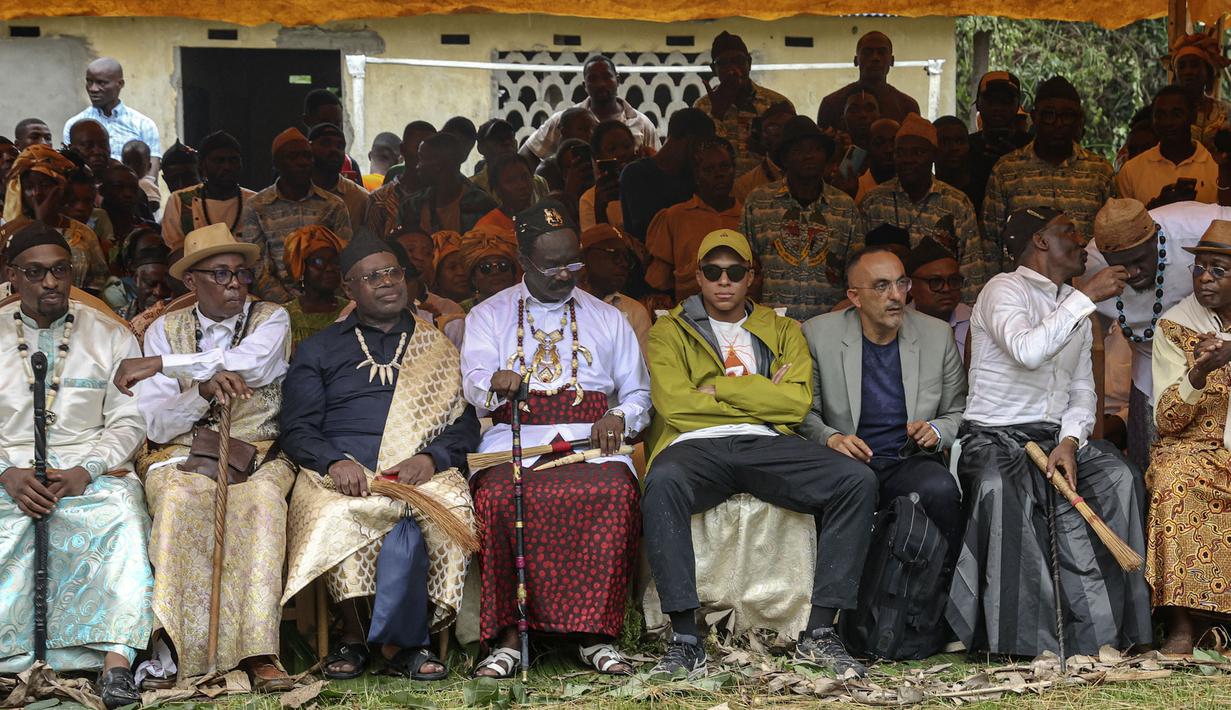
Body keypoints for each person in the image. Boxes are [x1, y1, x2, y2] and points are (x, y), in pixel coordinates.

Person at [642, 229, 876, 678]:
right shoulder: (668, 328)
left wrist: (720, 388)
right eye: (713, 271)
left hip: (768, 442)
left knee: (856, 480)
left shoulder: (783, 328)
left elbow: (794, 403)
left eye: (735, 271)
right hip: (696, 444)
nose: (723, 281)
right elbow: (675, 403)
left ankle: (821, 633)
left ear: (752, 277)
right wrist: (763, 389)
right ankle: (685, 637)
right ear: (698, 276)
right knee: (664, 481)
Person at [948, 206, 1152, 657]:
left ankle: (1107, 636)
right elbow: (1028, 351)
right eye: (1069, 231)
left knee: (1120, 476)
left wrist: (1070, 441)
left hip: (1054, 438)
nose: (1082, 242)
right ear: (1040, 241)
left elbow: (1082, 389)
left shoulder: (1071, 303)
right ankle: (1021, 645)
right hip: (994, 436)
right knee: (1003, 487)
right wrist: (1085, 297)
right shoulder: (1003, 289)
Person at [280, 232, 479, 681]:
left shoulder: (439, 346)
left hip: (421, 468)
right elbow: (297, 428)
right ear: (349, 288)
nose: (387, 282)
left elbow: (465, 423)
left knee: (452, 510)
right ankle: (354, 637)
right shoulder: (320, 348)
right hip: (343, 469)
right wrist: (333, 462)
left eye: (393, 272)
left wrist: (431, 458)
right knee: (338, 513)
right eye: (372, 276)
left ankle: (413, 642)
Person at [462, 200, 649, 678]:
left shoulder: (607, 317)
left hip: (591, 440)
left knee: (614, 493)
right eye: (552, 266)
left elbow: (637, 390)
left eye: (574, 264)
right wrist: (494, 381)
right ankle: (507, 636)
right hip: (516, 435)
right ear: (524, 262)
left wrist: (619, 416)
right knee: (500, 496)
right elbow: (474, 379)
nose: (566, 275)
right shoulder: (489, 314)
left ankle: (594, 635)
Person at [110, 222, 293, 690]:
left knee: (260, 506)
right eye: (220, 274)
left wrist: (166, 367)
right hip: (183, 450)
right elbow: (157, 422)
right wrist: (202, 392)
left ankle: (258, 652)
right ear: (190, 282)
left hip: (258, 451)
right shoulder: (165, 330)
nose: (235, 284)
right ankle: (175, 650)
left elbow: (251, 361)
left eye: (240, 274)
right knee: (178, 502)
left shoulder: (272, 318)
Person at [0, 222, 152, 708]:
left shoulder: (109, 335)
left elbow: (129, 421)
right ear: (13, 277)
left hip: (89, 469)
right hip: (8, 467)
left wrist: (87, 469)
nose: (50, 282)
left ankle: (114, 663)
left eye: (59, 271)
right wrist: (7, 473)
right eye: (36, 272)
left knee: (121, 515)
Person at [800, 247, 966, 557]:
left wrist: (937, 430)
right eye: (881, 286)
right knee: (851, 489)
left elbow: (959, 409)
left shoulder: (936, 335)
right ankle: (839, 601)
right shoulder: (818, 334)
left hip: (909, 459)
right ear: (854, 297)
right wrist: (831, 438)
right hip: (847, 462)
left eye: (901, 284)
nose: (896, 295)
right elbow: (804, 413)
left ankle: (943, 591)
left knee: (941, 489)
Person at [1147, 219, 1231, 655]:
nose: (1203, 278)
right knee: (1171, 476)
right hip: (1193, 446)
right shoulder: (1175, 326)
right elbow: (1167, 420)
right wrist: (1199, 371)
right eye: (1199, 268)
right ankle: (1181, 626)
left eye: (1218, 270)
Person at [1083, 198, 1213, 473]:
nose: (1133, 272)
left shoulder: (1192, 225)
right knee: (1152, 469)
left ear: (1155, 235)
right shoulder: (1089, 265)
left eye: (1140, 259)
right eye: (1121, 266)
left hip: (1215, 362)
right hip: (1150, 374)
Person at [982, 77, 1115, 273]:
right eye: (1049, 115)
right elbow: (990, 241)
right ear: (1034, 117)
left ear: (1079, 119)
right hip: (1024, 291)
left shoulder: (1099, 172)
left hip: (1087, 288)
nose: (1058, 123)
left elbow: (1112, 237)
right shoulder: (1007, 170)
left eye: (1067, 115)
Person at [742, 116, 863, 319]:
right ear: (785, 158)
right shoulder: (758, 202)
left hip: (830, 325)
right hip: (772, 323)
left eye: (815, 149)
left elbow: (857, 272)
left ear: (825, 156)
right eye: (798, 150)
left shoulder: (844, 206)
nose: (808, 156)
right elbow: (746, 265)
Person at [857, 114, 987, 301]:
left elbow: (972, 270)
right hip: (885, 308)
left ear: (933, 155)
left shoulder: (956, 203)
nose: (908, 159)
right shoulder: (873, 202)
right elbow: (859, 265)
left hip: (942, 312)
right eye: (901, 152)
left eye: (918, 152)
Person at [240, 128, 352, 303]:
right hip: (276, 308)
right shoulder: (257, 206)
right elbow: (258, 268)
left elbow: (344, 262)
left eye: (307, 156)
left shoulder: (333, 205)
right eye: (293, 157)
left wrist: (329, 306)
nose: (303, 162)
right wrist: (291, 308)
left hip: (328, 303)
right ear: (276, 163)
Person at [1, 145, 110, 294]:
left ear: (60, 187)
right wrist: (40, 222)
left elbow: (97, 283)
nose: (37, 193)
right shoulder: (10, 231)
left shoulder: (82, 233)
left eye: (45, 185)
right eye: (29, 187)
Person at [647, 137, 742, 303]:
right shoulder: (675, 217)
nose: (718, 175)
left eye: (724, 167)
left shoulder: (747, 216)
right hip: (690, 316)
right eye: (709, 169)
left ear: (734, 171)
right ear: (697, 175)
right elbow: (659, 281)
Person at [521, 55, 659, 168]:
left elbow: (657, 164)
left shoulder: (642, 123)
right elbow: (528, 153)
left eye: (606, 77)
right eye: (593, 79)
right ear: (584, 86)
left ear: (617, 80)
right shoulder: (564, 120)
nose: (601, 84)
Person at [693, 31, 790, 174]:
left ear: (749, 63)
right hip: (721, 193)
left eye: (738, 61)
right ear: (714, 70)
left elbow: (791, 155)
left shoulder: (777, 104)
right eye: (723, 63)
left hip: (767, 193)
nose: (732, 70)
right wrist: (716, 114)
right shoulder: (702, 108)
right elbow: (697, 157)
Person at [621, 109, 716, 241]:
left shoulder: (691, 176)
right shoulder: (637, 174)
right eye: (702, 145)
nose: (702, 154)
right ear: (691, 140)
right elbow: (649, 230)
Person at [1117, 87, 1218, 207]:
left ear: (1193, 116)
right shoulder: (1131, 171)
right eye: (1160, 115)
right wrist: (1157, 206)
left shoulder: (1216, 167)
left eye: (1176, 114)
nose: (1168, 122)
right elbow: (1124, 223)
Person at [64, 57, 161, 177]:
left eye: (101, 83)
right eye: (89, 81)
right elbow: (71, 168)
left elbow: (151, 174)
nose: (93, 89)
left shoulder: (144, 125)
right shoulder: (74, 125)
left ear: (120, 84)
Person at [162, 131, 254, 251]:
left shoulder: (255, 202)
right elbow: (174, 250)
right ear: (202, 166)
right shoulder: (179, 200)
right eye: (219, 161)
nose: (227, 167)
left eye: (233, 160)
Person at [816, 32, 920, 129]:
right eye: (867, 52)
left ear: (892, 61)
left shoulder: (907, 107)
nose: (875, 58)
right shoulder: (831, 104)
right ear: (856, 60)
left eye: (881, 52)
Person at [399, 132, 496, 236]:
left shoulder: (482, 206)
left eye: (422, 159)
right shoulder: (412, 206)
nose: (417, 166)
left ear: (438, 165)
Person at [580, 224, 651, 355]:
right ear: (585, 257)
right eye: (615, 254)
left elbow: (644, 373)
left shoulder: (635, 312)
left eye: (627, 258)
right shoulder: (561, 306)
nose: (623, 263)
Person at [967, 71, 1031, 212]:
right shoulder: (965, 147)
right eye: (991, 100)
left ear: (1017, 105)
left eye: (1006, 101)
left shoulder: (1033, 148)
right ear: (978, 103)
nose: (998, 108)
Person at [364, 120, 435, 238]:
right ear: (402, 149)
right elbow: (372, 248)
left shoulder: (443, 196)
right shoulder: (380, 200)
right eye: (418, 148)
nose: (424, 155)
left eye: (431, 150)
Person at [904, 237, 972, 362]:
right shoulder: (898, 325)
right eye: (935, 282)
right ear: (911, 286)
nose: (946, 289)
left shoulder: (974, 320)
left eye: (954, 280)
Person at [282, 225, 347, 346]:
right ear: (301, 268)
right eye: (319, 262)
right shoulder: (284, 316)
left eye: (335, 262)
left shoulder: (352, 311)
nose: (330, 269)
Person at [1169, 30, 1231, 154]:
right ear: (1175, 75)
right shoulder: (1163, 112)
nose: (1188, 71)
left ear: (1208, 72)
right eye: (1181, 66)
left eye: (1194, 65)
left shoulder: (1225, 112)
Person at [471, 119, 550, 201]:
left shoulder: (539, 183)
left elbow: (548, 212)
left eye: (509, 137)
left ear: (516, 143)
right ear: (481, 148)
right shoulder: (472, 187)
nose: (506, 143)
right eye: (498, 139)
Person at [579, 121, 637, 232]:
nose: (621, 153)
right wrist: (600, 208)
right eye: (611, 149)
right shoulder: (589, 199)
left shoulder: (647, 184)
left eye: (626, 146)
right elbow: (595, 244)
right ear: (598, 157)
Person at [310, 122, 369, 230]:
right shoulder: (296, 193)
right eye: (326, 143)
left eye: (340, 146)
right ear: (310, 148)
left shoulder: (361, 199)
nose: (334, 150)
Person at [733, 101, 795, 203]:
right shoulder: (745, 187)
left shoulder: (815, 176)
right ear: (761, 137)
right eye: (773, 128)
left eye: (789, 128)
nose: (782, 134)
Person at [301, 89, 361, 183]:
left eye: (337, 124)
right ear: (307, 121)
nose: (331, 129)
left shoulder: (349, 164)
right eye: (325, 122)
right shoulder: (292, 163)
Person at [536, 108, 599, 193]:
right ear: (564, 132)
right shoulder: (548, 169)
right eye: (583, 129)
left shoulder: (595, 162)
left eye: (594, 129)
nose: (590, 134)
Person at [114, 231, 173, 321]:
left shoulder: (185, 318)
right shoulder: (118, 321)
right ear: (136, 279)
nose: (159, 292)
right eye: (150, 283)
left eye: (166, 285)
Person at [474, 153, 536, 235]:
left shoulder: (546, 216)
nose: (522, 185)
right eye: (511, 181)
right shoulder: (486, 230)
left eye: (525, 177)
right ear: (497, 189)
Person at [458, 228, 520, 308]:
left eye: (502, 265)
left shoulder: (530, 307)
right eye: (485, 267)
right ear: (473, 278)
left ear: (513, 274)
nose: (495, 272)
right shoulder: (459, 312)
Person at [545, 138, 594, 226]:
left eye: (583, 163)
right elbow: (557, 228)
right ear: (563, 173)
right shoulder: (556, 200)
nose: (579, 169)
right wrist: (570, 192)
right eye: (570, 166)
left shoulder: (604, 190)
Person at [855, 118, 900, 203]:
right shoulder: (856, 189)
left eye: (894, 142)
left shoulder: (912, 189)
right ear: (867, 147)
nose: (889, 149)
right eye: (879, 143)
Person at [933, 115, 974, 203]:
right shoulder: (923, 192)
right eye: (945, 142)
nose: (954, 147)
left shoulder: (984, 189)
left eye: (960, 141)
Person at [431, 230, 472, 304]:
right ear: (436, 275)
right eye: (452, 267)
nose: (461, 272)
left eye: (464, 264)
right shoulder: (428, 311)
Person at [121, 140, 162, 213]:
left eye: (137, 164)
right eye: (127, 163)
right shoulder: (122, 182)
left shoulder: (145, 183)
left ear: (149, 166)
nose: (131, 167)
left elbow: (153, 206)